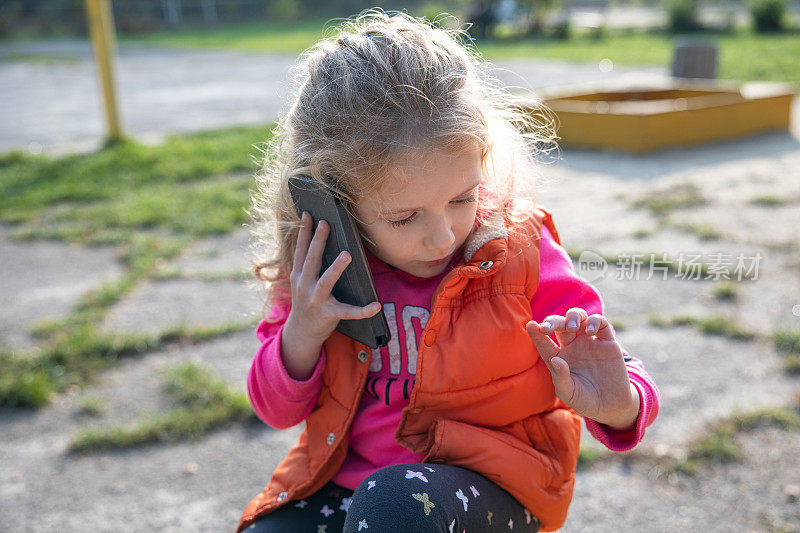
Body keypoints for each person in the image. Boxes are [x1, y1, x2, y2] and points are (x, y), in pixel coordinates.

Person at [239, 10, 659, 533]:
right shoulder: (319, 270)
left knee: (395, 505)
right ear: (335, 203)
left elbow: (605, 362)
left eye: (463, 198)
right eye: (404, 217)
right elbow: (274, 411)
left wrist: (621, 404)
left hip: (495, 485)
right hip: (347, 485)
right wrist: (301, 331)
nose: (442, 237)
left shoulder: (521, 249)